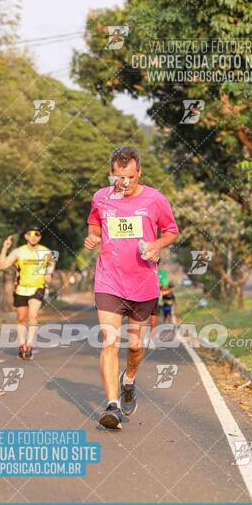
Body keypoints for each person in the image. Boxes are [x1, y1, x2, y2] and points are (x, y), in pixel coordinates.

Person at [84, 146, 179, 429]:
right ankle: (112, 405)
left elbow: (172, 231)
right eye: (118, 177)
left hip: (143, 282)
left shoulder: (155, 199)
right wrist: (92, 238)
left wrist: (156, 244)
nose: (124, 183)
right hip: (109, 280)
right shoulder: (101, 197)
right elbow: (94, 224)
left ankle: (129, 380)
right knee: (109, 341)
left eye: (130, 177)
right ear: (111, 174)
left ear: (139, 173)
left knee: (136, 346)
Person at [0, 225, 55, 360]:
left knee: (33, 316)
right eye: (31, 234)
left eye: (37, 234)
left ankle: (29, 345)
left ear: (40, 237)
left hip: (37, 287)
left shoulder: (46, 252)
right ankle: (21, 344)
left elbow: (51, 266)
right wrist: (5, 248)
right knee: (21, 318)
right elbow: (2, 266)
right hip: (21, 289)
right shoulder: (19, 252)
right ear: (26, 236)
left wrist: (49, 274)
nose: (34, 236)